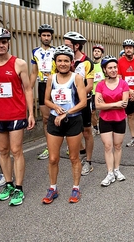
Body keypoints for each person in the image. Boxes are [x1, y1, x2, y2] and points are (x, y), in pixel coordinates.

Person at [0, 27, 35, 206]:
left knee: (16, 151)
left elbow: (28, 88)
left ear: (8, 43)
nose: (1, 45)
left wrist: (30, 113)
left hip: (15, 114)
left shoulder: (19, 63)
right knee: (3, 151)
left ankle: (19, 188)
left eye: (4, 41)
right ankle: (8, 183)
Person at [42, 45, 87, 204]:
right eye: (59, 60)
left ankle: (76, 188)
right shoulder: (51, 79)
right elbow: (46, 100)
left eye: (66, 61)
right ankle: (53, 188)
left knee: (74, 157)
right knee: (53, 158)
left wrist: (66, 113)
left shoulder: (77, 78)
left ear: (71, 62)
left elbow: (83, 102)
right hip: (55, 120)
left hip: (73, 120)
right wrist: (55, 107)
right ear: (55, 62)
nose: (63, 63)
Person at [63, 31, 95, 176]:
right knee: (70, 131)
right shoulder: (63, 60)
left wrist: (77, 96)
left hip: (83, 102)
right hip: (67, 103)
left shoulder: (87, 62)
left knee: (86, 132)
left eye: (68, 45)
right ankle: (76, 156)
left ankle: (88, 161)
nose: (65, 47)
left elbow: (89, 85)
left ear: (77, 46)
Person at [95, 56, 129, 186]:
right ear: (105, 69)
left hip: (120, 118)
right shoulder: (100, 85)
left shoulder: (123, 83)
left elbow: (124, 104)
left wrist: (107, 104)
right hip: (105, 119)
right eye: (110, 68)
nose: (113, 70)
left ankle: (117, 170)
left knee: (118, 146)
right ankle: (109, 173)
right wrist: (116, 103)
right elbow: (98, 106)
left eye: (115, 67)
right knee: (108, 146)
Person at [29, 24, 55, 160]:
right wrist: (29, 88)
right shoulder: (35, 52)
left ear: (51, 37)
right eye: (44, 35)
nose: (46, 37)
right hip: (42, 85)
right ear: (40, 36)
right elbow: (34, 72)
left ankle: (70, 144)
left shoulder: (56, 51)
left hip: (56, 86)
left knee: (61, 116)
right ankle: (49, 147)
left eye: (48, 35)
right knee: (46, 119)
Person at [91, 44, 105, 136]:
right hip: (92, 92)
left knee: (103, 110)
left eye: (98, 51)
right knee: (92, 112)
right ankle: (95, 127)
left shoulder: (103, 64)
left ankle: (104, 127)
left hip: (102, 92)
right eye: (95, 51)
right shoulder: (90, 64)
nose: (96, 52)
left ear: (101, 54)